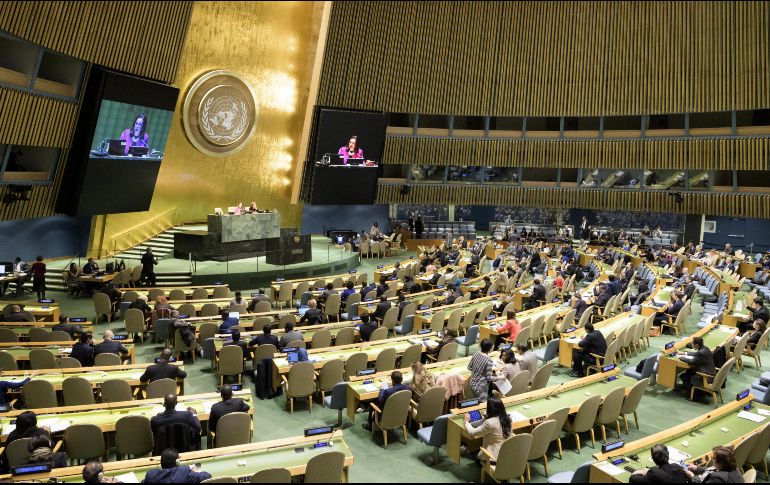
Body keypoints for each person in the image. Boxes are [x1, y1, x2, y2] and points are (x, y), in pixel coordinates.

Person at [463, 397, 511, 462]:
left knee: (472, 453)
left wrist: (466, 421)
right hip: (506, 452)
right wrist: (487, 417)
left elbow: (472, 433)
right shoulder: (507, 419)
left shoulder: (489, 423)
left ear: (490, 409)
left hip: (493, 457)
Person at [142, 448, 211, 484]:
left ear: (161, 462)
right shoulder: (184, 472)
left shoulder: (150, 475)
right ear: (177, 462)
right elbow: (207, 476)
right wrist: (193, 472)